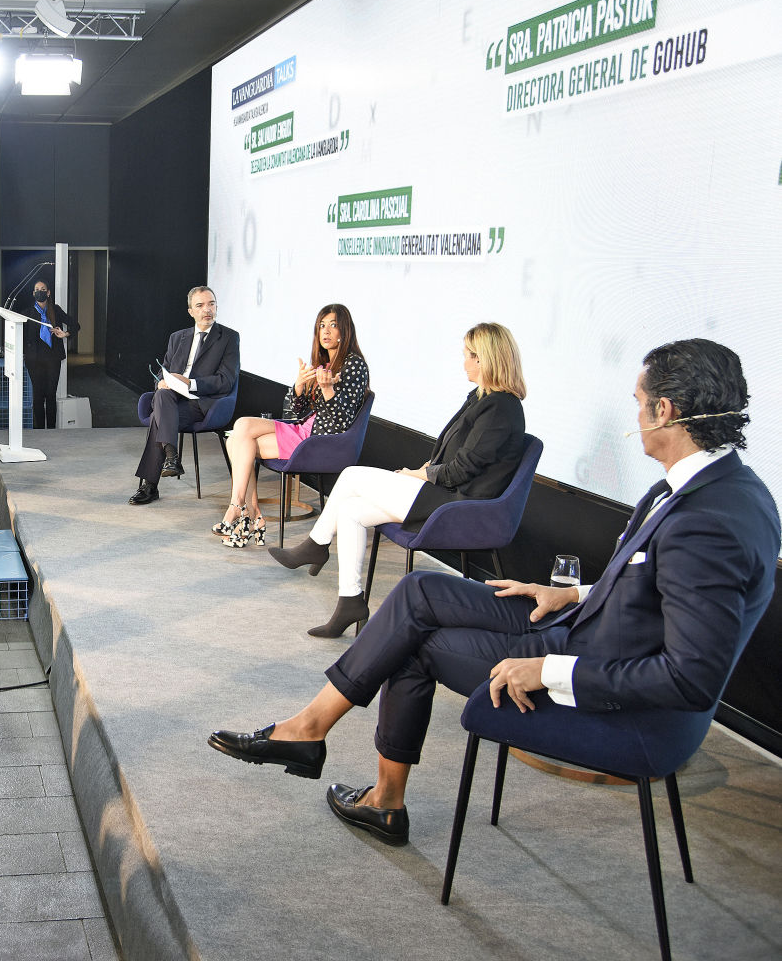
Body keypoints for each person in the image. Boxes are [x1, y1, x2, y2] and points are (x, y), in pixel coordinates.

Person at [210, 338, 779, 846]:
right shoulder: (710, 488)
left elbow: (690, 677)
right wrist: (575, 593)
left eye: (637, 401)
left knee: (414, 646)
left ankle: (375, 793)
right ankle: (309, 731)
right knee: (417, 593)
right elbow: (655, 581)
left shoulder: (712, 520)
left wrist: (549, 672)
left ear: (665, 411)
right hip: (579, 625)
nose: (635, 413)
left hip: (592, 672)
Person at [270, 322, 527, 637]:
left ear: (487, 359)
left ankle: (315, 545)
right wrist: (424, 469)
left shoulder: (501, 408)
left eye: (470, 356)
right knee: (350, 511)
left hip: (457, 505)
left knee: (351, 475)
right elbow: (456, 454)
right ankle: (350, 601)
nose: (464, 363)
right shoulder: (482, 398)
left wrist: (417, 475)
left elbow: (463, 470)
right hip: (441, 492)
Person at [215, 304, 369, 548]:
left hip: (320, 440)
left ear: (345, 331)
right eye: (321, 326)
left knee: (238, 440)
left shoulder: (354, 365)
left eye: (333, 325)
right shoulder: (322, 364)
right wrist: (298, 387)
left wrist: (328, 390)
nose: (326, 331)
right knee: (238, 433)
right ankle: (249, 514)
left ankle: (244, 513)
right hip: (302, 430)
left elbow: (343, 422)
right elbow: (291, 413)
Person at [130, 286, 240, 506]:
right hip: (173, 400)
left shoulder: (228, 337)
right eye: (200, 305)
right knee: (161, 396)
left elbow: (226, 380)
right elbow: (164, 369)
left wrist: (191, 383)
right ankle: (171, 458)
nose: (207, 310)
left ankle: (151, 485)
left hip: (202, 403)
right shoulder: (177, 337)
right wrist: (161, 381)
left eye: (211, 304)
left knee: (157, 417)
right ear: (191, 311)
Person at [14, 281, 76, 431]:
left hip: (53, 359)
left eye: (43, 289)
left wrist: (65, 334)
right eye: (37, 290)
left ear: (48, 293)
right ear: (33, 293)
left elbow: (76, 325)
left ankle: (52, 430)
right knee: (38, 395)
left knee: (50, 395)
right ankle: (40, 431)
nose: (39, 292)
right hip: (34, 360)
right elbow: (19, 335)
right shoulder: (27, 313)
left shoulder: (55, 310)